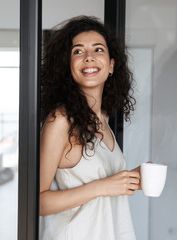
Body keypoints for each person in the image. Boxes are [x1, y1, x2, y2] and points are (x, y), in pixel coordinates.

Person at [39, 16, 140, 240]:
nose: (89, 58)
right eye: (78, 51)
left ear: (111, 65)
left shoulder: (103, 120)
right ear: (67, 65)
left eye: (98, 49)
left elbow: (106, 186)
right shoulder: (61, 120)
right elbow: (37, 201)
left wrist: (131, 178)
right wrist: (101, 186)